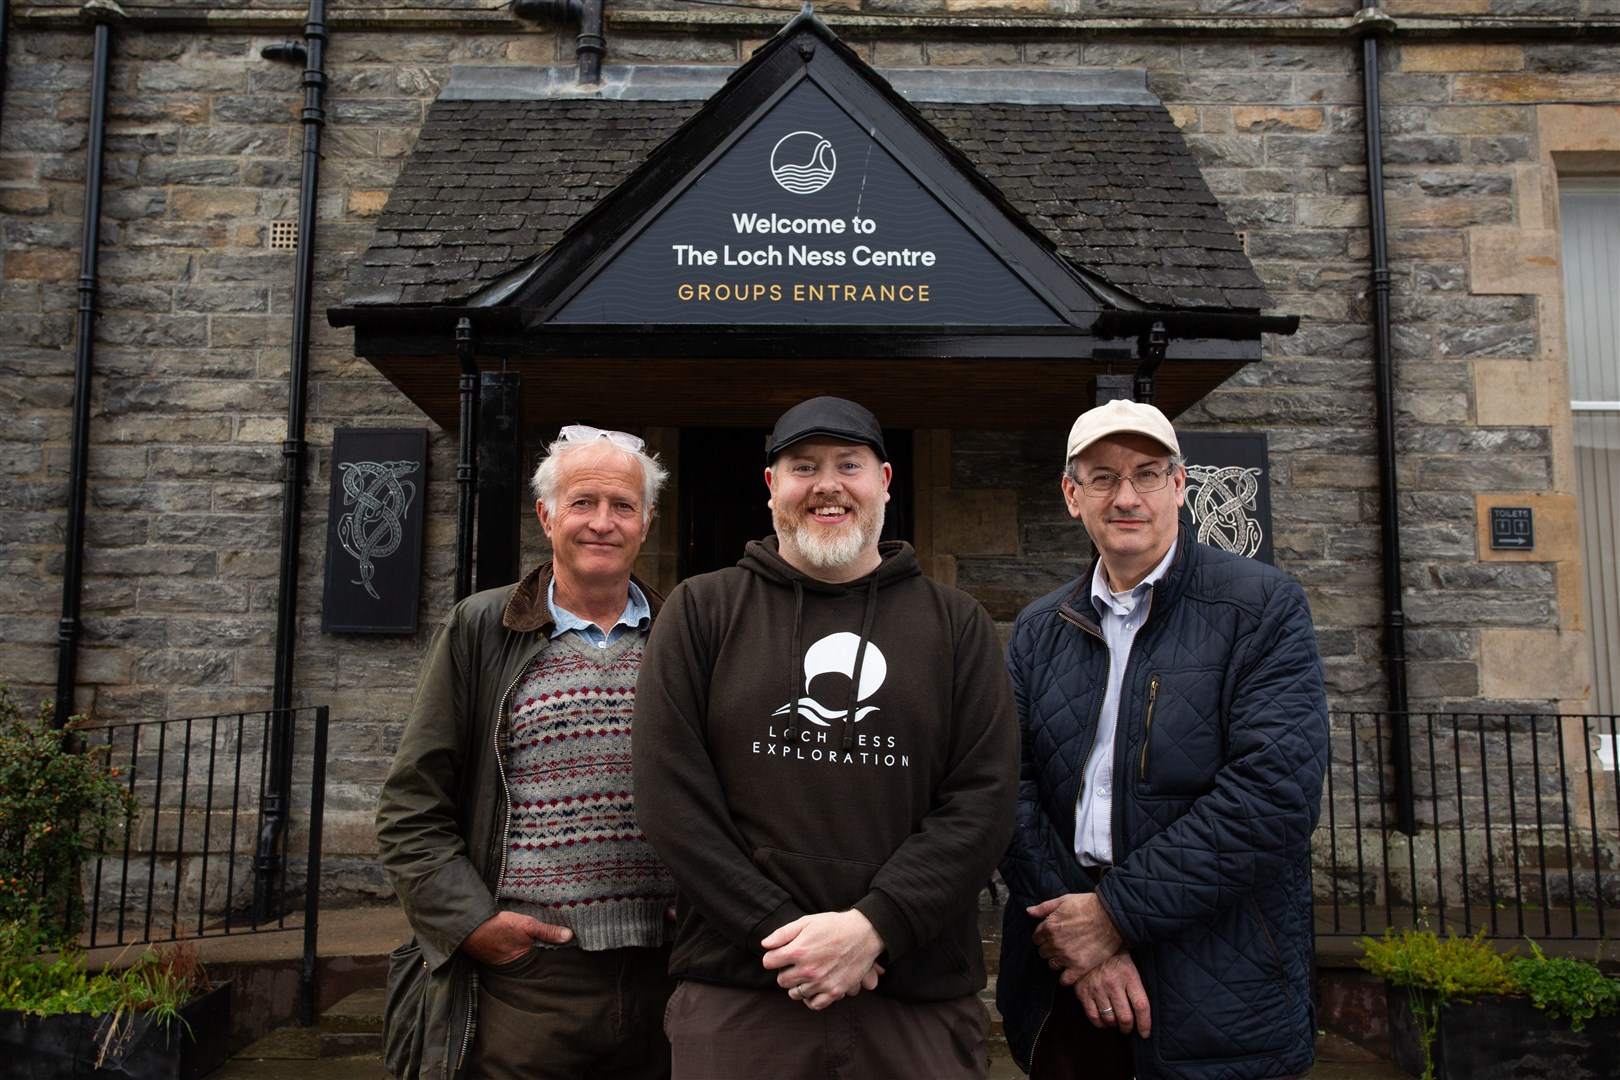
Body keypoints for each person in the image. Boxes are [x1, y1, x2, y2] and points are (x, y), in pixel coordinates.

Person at [632, 395, 1019, 1080]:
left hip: (914, 1000)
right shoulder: (701, 609)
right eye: (803, 466)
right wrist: (785, 939)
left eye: (850, 464)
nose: (828, 485)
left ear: (886, 481)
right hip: (742, 994)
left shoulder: (957, 624)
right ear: (772, 486)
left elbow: (982, 802)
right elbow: (672, 801)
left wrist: (876, 927)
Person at [997, 399, 1329, 1080]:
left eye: (1147, 475)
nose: (1126, 497)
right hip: (1066, 981)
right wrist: (1076, 936)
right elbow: (1006, 788)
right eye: (1102, 477)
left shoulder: (1262, 608)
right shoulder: (1038, 628)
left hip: (1220, 979)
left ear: (1180, 487)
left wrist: (1115, 915)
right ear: (1071, 496)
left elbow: (1273, 799)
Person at [375, 425, 677, 1080]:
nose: (603, 522)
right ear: (547, 515)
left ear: (646, 522)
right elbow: (409, 809)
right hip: (528, 988)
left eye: (623, 506)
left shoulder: (687, 635)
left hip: (668, 978)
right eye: (583, 503)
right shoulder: (481, 629)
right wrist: (476, 927)